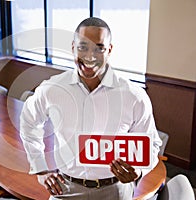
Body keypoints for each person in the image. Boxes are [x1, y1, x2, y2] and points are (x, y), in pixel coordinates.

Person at [20, 17, 162, 200]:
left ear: (109, 50)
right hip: (65, 189)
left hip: (115, 191)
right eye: (83, 47)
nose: (89, 56)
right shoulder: (52, 89)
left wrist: (140, 170)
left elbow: (152, 144)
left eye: (99, 48)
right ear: (73, 48)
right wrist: (39, 168)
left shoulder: (133, 96)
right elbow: (28, 121)